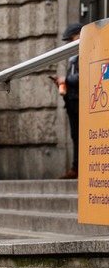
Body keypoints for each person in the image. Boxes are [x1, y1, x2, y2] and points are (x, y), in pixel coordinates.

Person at [55, 23, 82, 180]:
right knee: (75, 136)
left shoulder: (86, 54)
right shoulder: (73, 60)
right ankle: (76, 167)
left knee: (82, 136)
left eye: (71, 40)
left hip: (82, 102)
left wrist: (67, 79)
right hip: (72, 101)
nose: (69, 45)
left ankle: (80, 168)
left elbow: (84, 76)